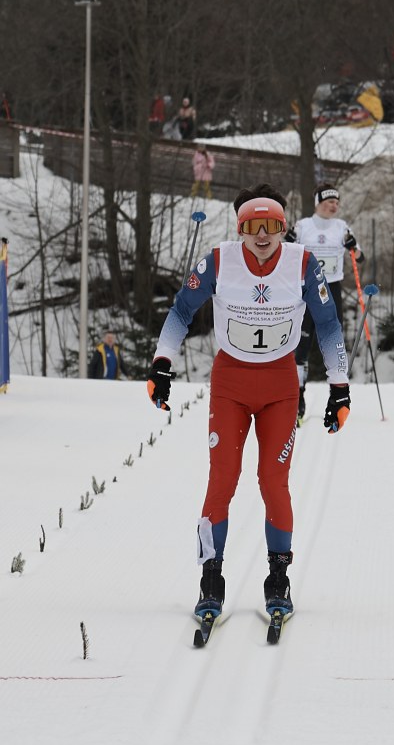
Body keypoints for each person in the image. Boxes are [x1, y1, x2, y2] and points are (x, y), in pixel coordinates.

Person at [148, 185, 351, 628]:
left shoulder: (303, 263)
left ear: (284, 229)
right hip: (231, 385)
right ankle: (210, 577)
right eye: (252, 227)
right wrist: (162, 363)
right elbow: (181, 310)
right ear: (240, 229)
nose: (262, 235)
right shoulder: (219, 261)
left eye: (271, 226)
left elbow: (328, 323)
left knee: (273, 482)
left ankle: (278, 578)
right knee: (222, 479)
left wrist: (339, 387)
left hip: (280, 387)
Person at [289, 185, 358, 422]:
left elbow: (359, 256)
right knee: (301, 345)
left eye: (337, 202)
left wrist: (352, 246)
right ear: (318, 202)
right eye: (329, 201)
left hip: (331, 289)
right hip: (307, 289)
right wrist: (288, 240)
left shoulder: (341, 227)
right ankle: (297, 397)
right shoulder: (303, 226)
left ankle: (337, 398)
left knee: (332, 343)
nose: (334, 206)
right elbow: (284, 252)